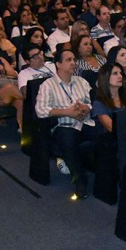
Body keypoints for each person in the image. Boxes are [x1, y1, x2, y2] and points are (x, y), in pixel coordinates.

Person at [35, 46, 96, 198]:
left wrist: (85, 108)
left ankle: (105, 173)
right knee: (67, 138)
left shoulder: (82, 81)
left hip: (85, 122)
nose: (73, 63)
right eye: (68, 60)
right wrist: (66, 112)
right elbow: (40, 110)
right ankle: (80, 177)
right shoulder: (48, 85)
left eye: (74, 60)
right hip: (64, 125)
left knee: (106, 133)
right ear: (58, 64)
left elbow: (91, 102)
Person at [91, 61, 126, 133]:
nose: (120, 76)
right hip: (116, 139)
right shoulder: (99, 103)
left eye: (121, 73)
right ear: (105, 77)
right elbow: (111, 128)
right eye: (115, 73)